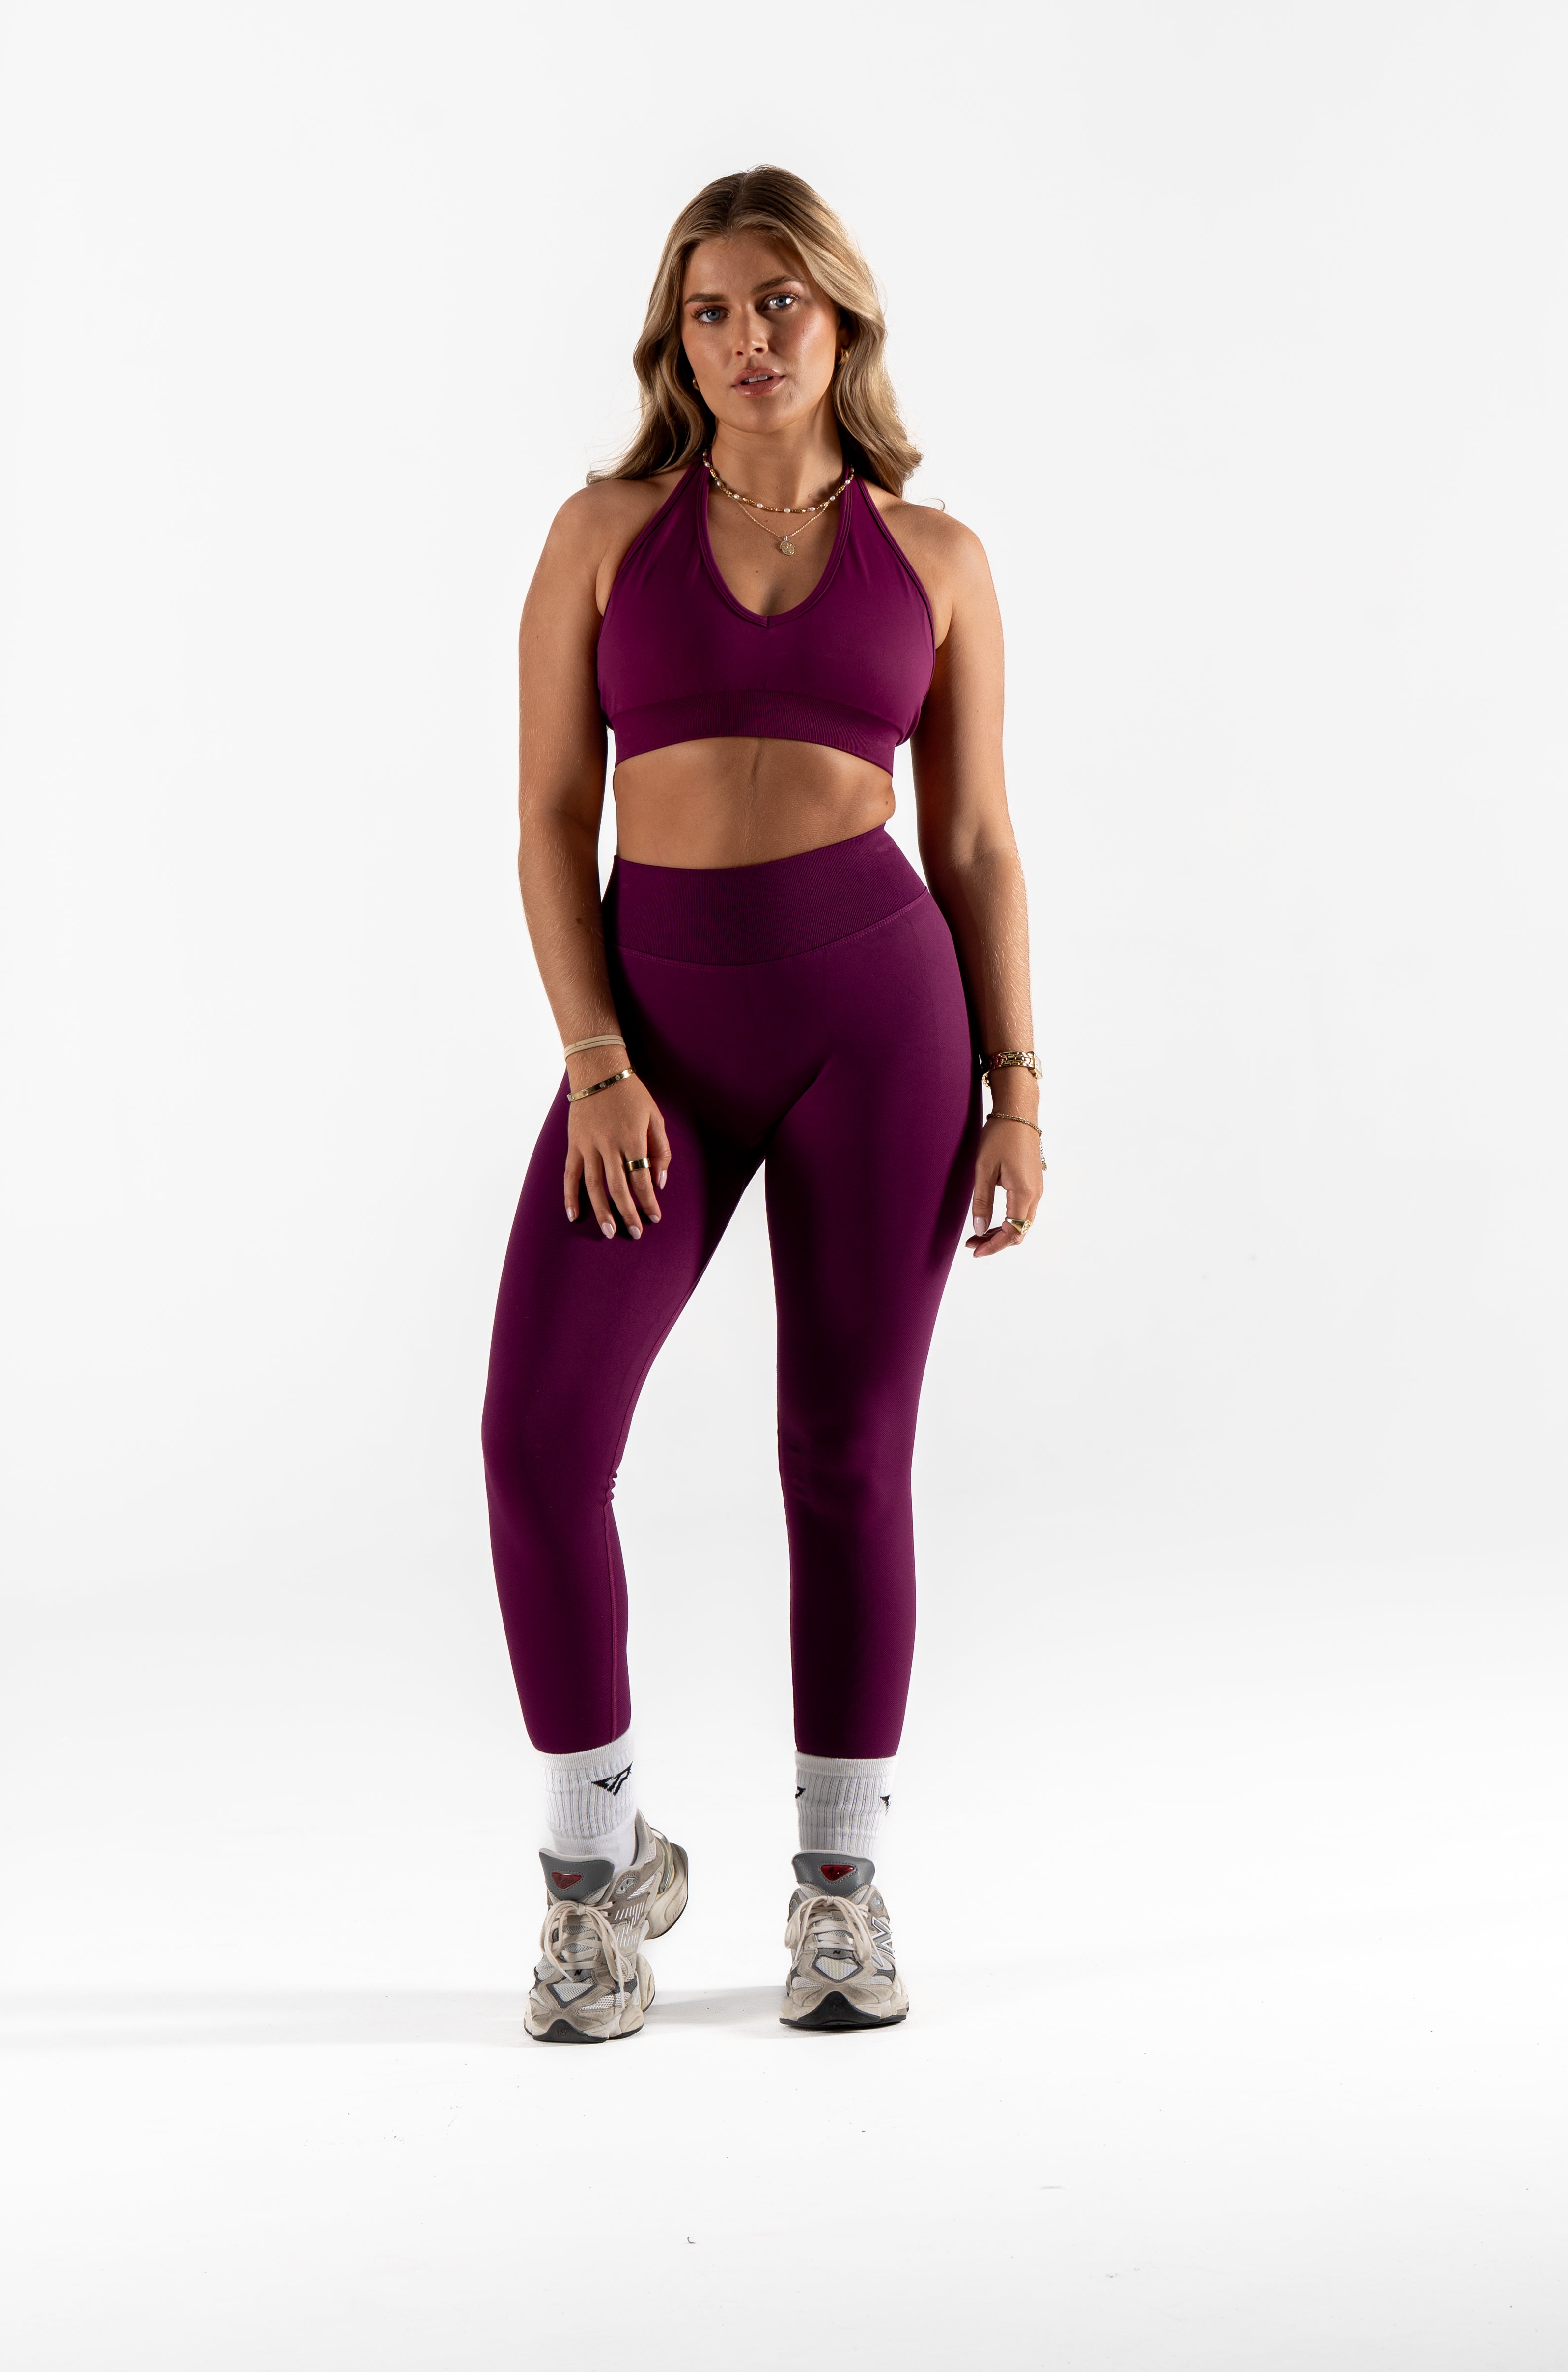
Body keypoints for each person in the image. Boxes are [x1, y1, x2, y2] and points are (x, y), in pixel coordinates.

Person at [482, 166, 1043, 2040]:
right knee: (540, 1437)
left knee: (847, 1454)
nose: (748, 340)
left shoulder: (939, 558)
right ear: (677, 338)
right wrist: (596, 1059)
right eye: (712, 310)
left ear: (844, 319)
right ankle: (594, 1880)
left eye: (780, 303)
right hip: (652, 1041)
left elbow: (975, 839)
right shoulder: (601, 535)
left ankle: (840, 1893)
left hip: (882, 1031)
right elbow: (549, 821)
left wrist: (1019, 1085)